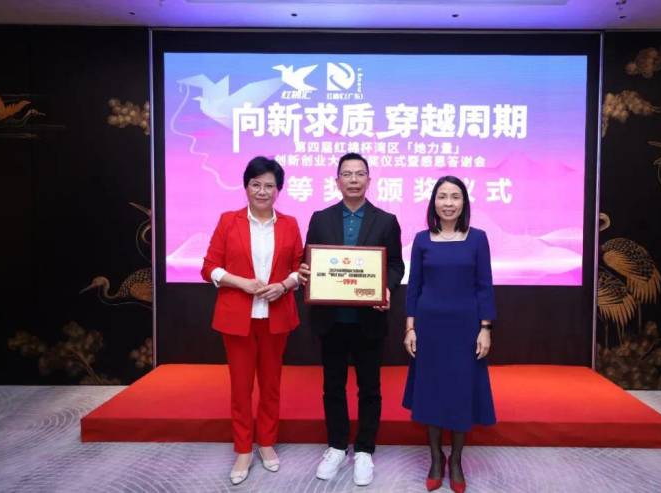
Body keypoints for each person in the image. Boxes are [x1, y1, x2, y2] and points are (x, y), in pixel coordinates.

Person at [297, 153, 404, 486]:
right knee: (333, 386)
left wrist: (385, 288)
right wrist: (305, 272)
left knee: (370, 388)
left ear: (369, 180)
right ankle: (337, 446)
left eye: (360, 174)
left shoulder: (386, 220)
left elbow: (396, 266)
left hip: (369, 319)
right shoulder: (320, 218)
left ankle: (365, 450)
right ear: (337, 181)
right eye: (347, 174)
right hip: (331, 319)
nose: (354, 180)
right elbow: (307, 261)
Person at [200, 156, 303, 485]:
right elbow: (209, 268)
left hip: (276, 317)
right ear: (246, 187)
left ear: (278, 190)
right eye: (256, 184)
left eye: (269, 185)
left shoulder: (290, 224)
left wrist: (284, 285)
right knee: (241, 388)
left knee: (271, 386)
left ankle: (267, 443)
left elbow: (300, 269)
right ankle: (244, 448)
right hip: (238, 319)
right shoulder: (228, 221)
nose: (262, 191)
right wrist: (240, 282)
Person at [402, 175, 496, 493]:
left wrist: (485, 329)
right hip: (429, 328)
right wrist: (410, 328)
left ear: (464, 202)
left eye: (455, 197)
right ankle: (435, 458)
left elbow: (484, 286)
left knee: (459, 393)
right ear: (434, 202)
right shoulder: (422, 240)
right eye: (442, 197)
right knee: (431, 392)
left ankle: (455, 460)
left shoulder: (478, 239)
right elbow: (414, 287)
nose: (448, 203)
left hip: (465, 329)